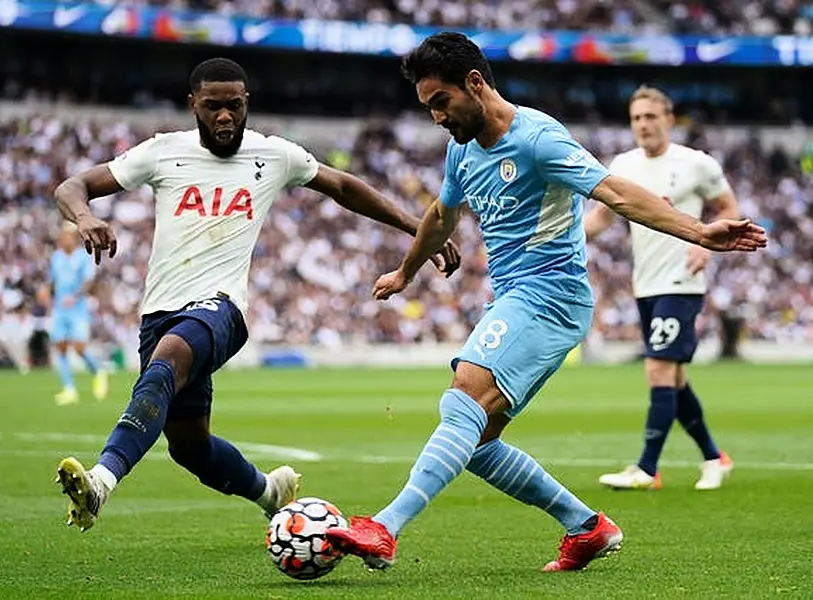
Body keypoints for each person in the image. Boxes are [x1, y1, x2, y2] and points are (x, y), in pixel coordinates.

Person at [325, 33, 767, 572]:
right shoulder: (460, 146)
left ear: (475, 84)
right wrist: (405, 271)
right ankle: (587, 527)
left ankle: (385, 527)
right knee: (478, 442)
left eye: (441, 102)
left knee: (463, 394)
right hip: (516, 296)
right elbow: (443, 214)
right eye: (428, 108)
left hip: (552, 292)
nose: (437, 117)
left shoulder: (538, 139)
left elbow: (614, 192)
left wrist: (697, 232)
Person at [52, 57, 460, 532]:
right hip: (160, 310)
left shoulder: (274, 155)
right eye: (212, 107)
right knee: (189, 447)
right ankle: (270, 492)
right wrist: (84, 217)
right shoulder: (163, 152)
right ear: (193, 106)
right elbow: (72, 186)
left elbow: (344, 186)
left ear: (247, 104)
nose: (224, 117)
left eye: (234, 106)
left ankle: (100, 483)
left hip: (223, 307)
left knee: (169, 359)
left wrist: (419, 228)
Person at [584, 86, 739, 491]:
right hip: (646, 283)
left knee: (657, 369)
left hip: (682, 279)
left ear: (668, 119)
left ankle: (646, 468)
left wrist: (706, 249)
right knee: (674, 378)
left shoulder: (696, 164)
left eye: (651, 117)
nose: (643, 125)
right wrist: (562, 238)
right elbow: (602, 217)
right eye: (636, 118)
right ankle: (713, 457)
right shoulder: (624, 165)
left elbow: (728, 208)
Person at [49, 223, 109, 405]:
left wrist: (75, 296)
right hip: (60, 309)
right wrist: (47, 293)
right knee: (60, 347)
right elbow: (53, 281)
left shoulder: (83, 257)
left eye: (67, 237)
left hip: (78, 309)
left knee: (79, 347)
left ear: (73, 238)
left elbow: (89, 282)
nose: (63, 240)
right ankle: (69, 389)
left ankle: (98, 371)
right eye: (62, 237)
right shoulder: (56, 257)